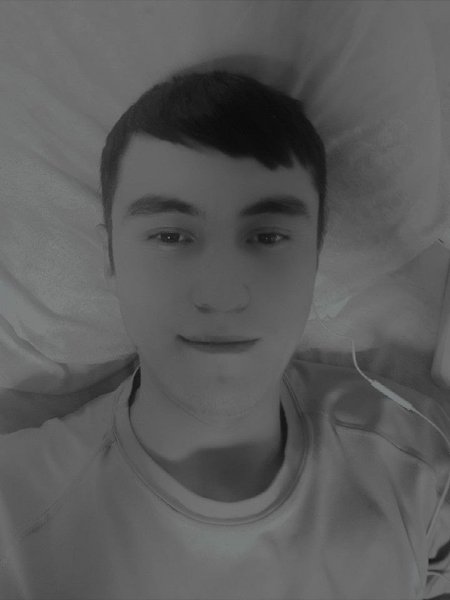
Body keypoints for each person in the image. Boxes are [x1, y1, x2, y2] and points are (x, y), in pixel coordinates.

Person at [0, 68, 449, 600]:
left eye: (268, 236)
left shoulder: (421, 464)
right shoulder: (14, 511)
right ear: (111, 257)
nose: (222, 295)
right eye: (171, 236)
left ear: (315, 254)